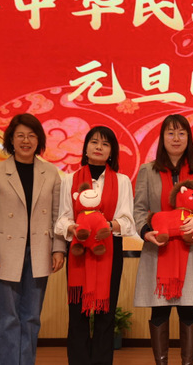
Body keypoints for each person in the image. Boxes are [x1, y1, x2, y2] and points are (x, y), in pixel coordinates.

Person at [0, 113, 66, 365]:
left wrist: (58, 249)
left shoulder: (51, 173)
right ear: (11, 140)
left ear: (39, 140)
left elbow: (57, 216)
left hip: (39, 253)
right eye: (20, 136)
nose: (26, 141)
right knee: (7, 318)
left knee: (31, 318)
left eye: (31, 135)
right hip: (4, 255)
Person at [133, 114, 193, 365]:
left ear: (188, 137)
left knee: (189, 309)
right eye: (170, 133)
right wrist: (145, 231)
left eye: (181, 133)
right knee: (159, 310)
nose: (176, 138)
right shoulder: (147, 171)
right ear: (162, 138)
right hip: (158, 248)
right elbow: (139, 209)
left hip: (190, 247)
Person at [55, 126, 135, 365]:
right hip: (78, 250)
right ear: (86, 148)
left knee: (105, 314)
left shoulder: (122, 181)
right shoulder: (70, 179)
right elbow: (62, 218)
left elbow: (127, 222)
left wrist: (105, 225)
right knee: (77, 313)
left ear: (112, 152)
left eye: (105, 144)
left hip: (109, 250)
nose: (99, 147)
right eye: (94, 142)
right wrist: (74, 228)